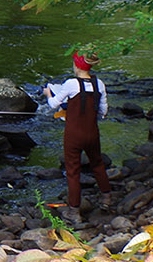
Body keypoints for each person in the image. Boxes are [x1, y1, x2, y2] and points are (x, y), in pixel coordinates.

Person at [43, 52, 112, 212]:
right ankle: (106, 198)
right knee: (97, 164)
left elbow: (53, 104)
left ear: (77, 66)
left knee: (73, 171)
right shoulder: (99, 84)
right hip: (92, 133)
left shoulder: (70, 84)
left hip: (74, 135)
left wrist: (48, 94)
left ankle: (74, 211)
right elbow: (103, 110)